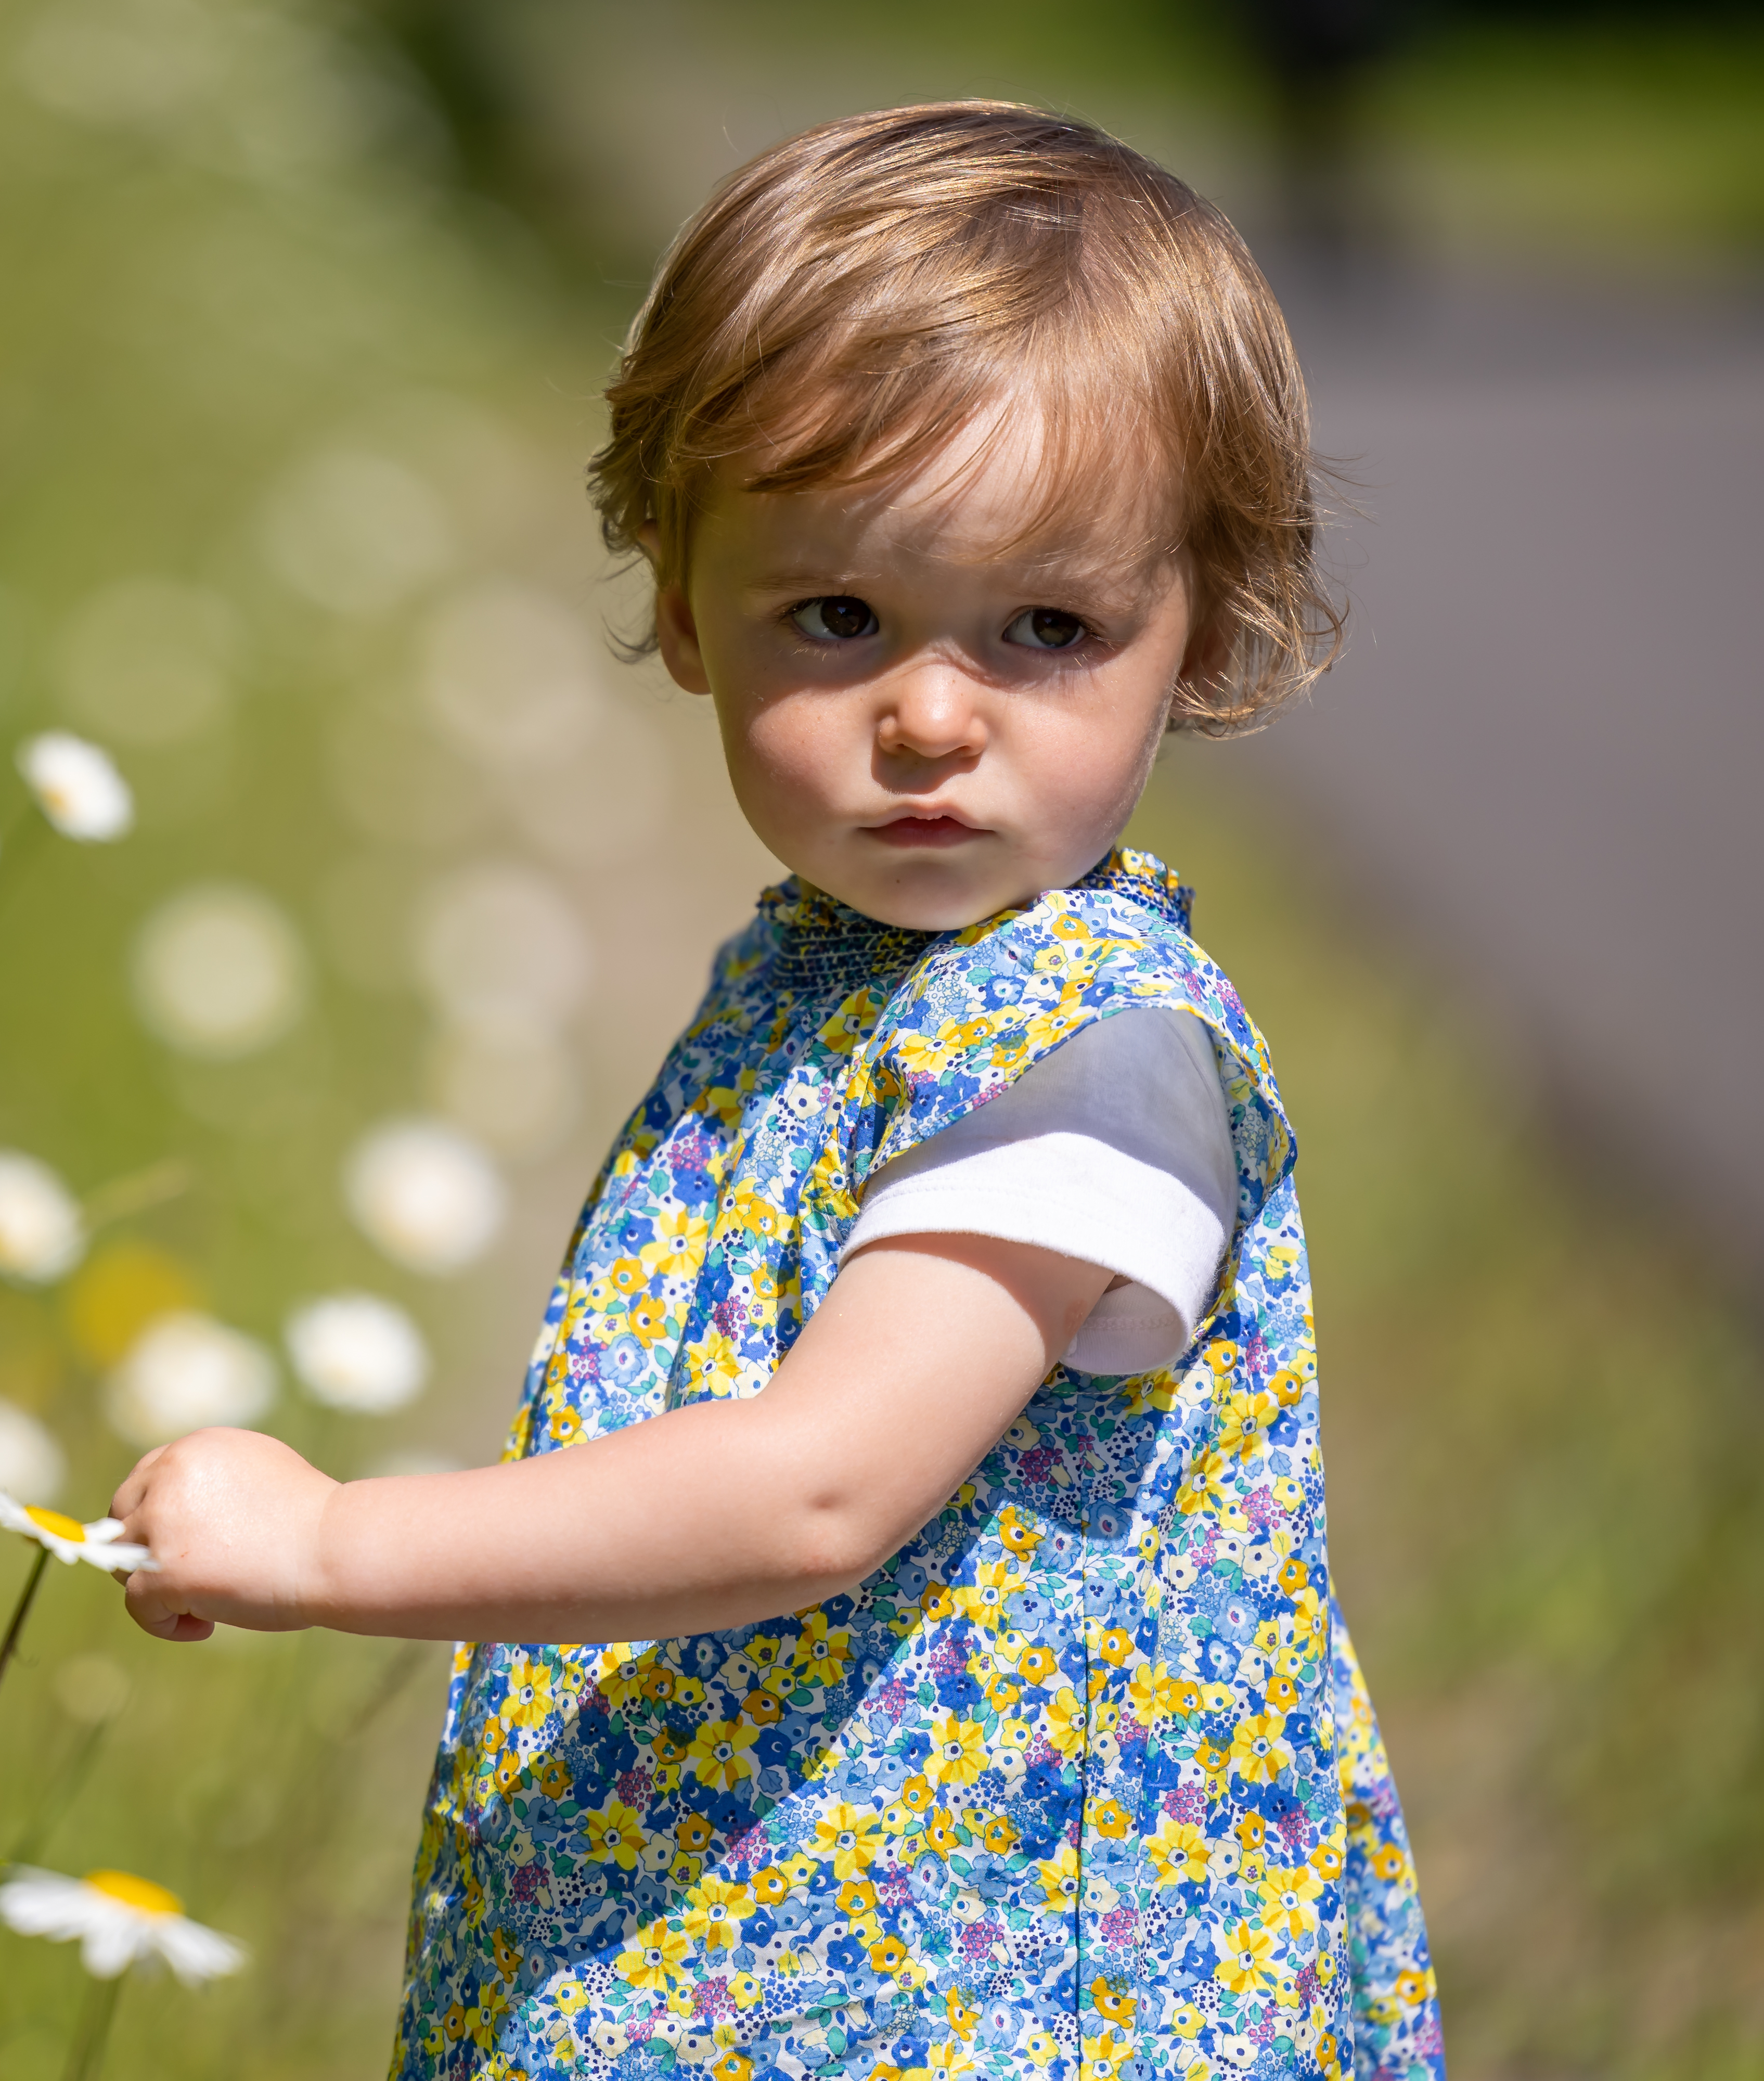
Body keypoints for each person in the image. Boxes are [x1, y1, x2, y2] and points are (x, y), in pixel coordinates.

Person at [108, 102, 1440, 2079]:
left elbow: (820, 1485)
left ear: (1205, 640)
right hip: (773, 1934)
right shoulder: (829, 988)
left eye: (1047, 630)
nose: (925, 709)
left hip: (991, 1999)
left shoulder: (1089, 1055)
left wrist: (330, 1549)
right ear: (679, 606)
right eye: (837, 616)